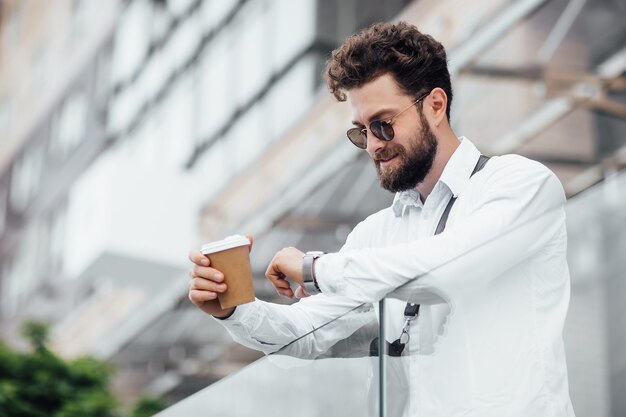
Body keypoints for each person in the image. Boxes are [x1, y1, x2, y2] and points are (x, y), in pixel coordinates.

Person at [188, 21, 575, 417]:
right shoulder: (374, 235)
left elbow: (447, 271)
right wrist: (233, 308)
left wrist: (315, 268)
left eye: (383, 124)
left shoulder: (520, 184)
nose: (373, 145)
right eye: (361, 132)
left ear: (435, 105)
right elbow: (308, 333)